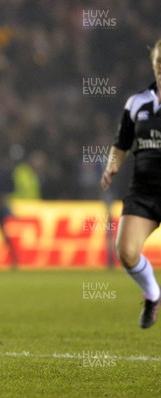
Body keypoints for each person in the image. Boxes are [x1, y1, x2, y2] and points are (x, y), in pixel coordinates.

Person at [100, 38, 161, 329]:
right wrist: (112, 167)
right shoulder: (137, 103)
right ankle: (152, 294)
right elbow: (122, 143)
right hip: (144, 190)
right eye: (159, 62)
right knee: (125, 251)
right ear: (153, 64)